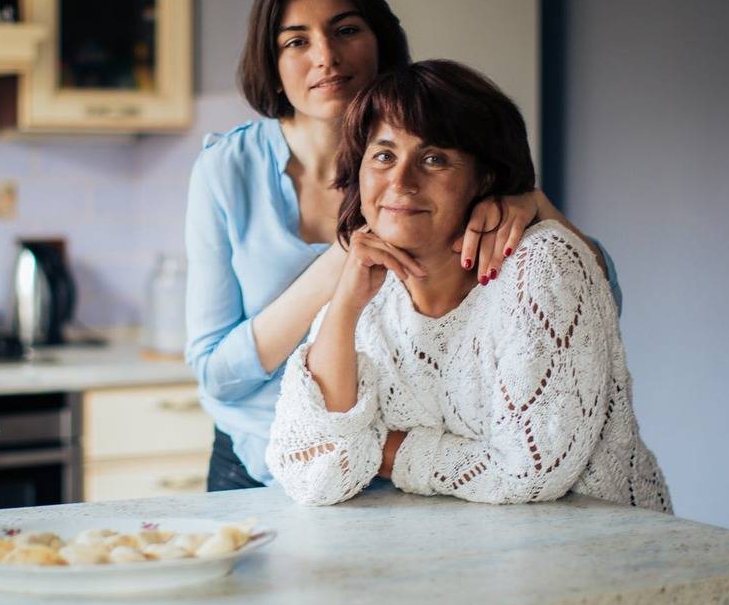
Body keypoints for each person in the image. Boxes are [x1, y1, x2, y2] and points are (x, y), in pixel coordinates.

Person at [186, 0, 624, 492]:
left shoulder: (442, 155)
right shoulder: (228, 170)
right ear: (271, 65)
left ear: (380, 42)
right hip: (266, 460)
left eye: (346, 30)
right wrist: (344, 265)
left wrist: (536, 207)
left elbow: (591, 306)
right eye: (296, 41)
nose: (326, 57)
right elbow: (215, 375)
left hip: (418, 464)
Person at [267, 60, 672, 512]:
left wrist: (386, 450)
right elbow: (312, 474)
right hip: (465, 557)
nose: (401, 181)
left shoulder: (541, 265)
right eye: (383, 155)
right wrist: (343, 306)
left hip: (606, 556)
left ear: (486, 176)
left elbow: (531, 473)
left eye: (434, 159)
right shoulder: (368, 292)